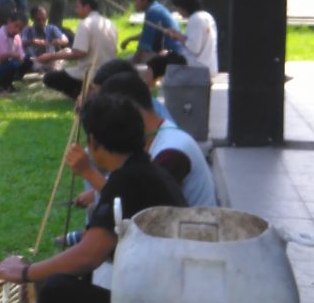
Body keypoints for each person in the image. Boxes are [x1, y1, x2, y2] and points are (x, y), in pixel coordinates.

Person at [0, 93, 186, 303]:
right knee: (59, 277)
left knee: (57, 287)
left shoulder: (127, 181)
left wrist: (26, 272)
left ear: (94, 141)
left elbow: (89, 256)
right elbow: (95, 242)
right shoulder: (144, 171)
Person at [73, 71, 216, 208]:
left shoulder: (172, 151)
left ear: (132, 109)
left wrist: (89, 172)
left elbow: (138, 207)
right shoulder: (154, 137)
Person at [38, 0, 118, 99]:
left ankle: (81, 95)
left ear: (87, 7)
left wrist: (51, 57)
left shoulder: (85, 24)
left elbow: (79, 53)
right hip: (110, 71)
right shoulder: (109, 23)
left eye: (77, 7)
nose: (76, 10)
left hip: (90, 73)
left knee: (49, 78)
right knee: (68, 69)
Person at [153, 0, 218, 77]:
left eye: (177, 8)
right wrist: (178, 36)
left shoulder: (195, 19)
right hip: (209, 65)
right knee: (167, 53)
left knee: (162, 57)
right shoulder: (206, 16)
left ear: (184, 7)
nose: (178, 12)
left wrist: (179, 37)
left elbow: (194, 48)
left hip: (197, 66)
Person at [119, 0, 181, 64]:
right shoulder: (157, 8)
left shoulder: (152, 12)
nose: (135, 3)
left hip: (169, 53)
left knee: (124, 64)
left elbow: (144, 45)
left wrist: (133, 63)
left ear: (144, 1)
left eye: (137, 0)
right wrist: (129, 39)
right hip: (173, 50)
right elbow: (148, 33)